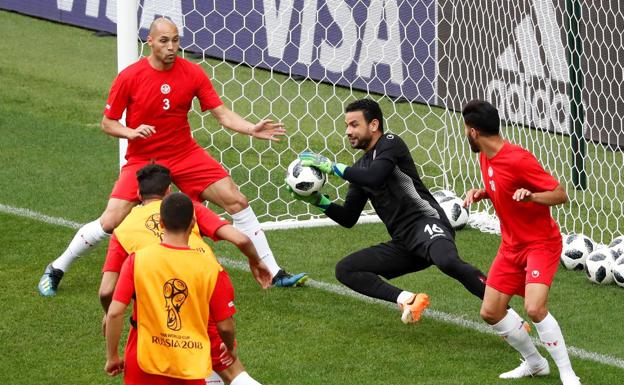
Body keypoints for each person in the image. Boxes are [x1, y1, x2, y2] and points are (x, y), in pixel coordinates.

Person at [38, 17, 307, 296]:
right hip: (144, 160)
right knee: (110, 220)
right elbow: (108, 122)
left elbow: (222, 114)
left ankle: (274, 272)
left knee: (237, 200)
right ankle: (56, 268)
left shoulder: (192, 73)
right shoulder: (130, 77)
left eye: (176, 40)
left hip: (184, 152)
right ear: (150, 42)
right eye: (164, 41)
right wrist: (130, 133)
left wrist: (251, 128)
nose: (171, 47)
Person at [287, 98, 493, 324]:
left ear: (373, 125)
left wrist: (333, 167)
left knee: (448, 262)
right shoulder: (359, 169)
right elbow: (348, 217)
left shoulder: (391, 144)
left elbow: (375, 176)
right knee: (346, 269)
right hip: (404, 242)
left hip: (426, 223)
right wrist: (319, 201)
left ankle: (503, 311)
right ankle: (407, 299)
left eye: (354, 124)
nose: (348, 131)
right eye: (346, 126)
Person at [102, 166, 265, 385]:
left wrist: (108, 316)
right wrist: (257, 261)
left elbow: (106, 291)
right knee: (230, 369)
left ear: (138, 196)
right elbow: (241, 239)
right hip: (202, 288)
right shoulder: (190, 209)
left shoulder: (125, 231)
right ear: (169, 190)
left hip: (155, 311)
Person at [461, 100, 580, 385]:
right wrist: (483, 194)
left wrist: (532, 197)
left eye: (466, 128)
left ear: (474, 131)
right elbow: (505, 188)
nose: (465, 133)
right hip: (511, 246)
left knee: (535, 308)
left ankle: (568, 374)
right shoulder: (485, 157)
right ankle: (535, 363)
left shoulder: (518, 158)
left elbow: (560, 194)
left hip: (540, 244)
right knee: (490, 311)